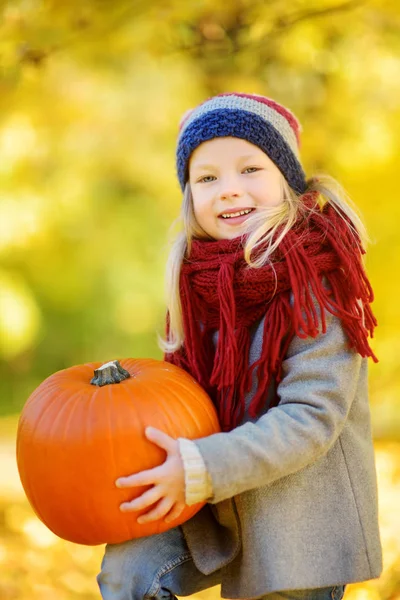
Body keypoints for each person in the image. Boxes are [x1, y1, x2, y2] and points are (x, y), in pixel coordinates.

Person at [96, 92, 383, 600]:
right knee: (129, 570)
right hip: (211, 505)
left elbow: (311, 417)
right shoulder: (196, 285)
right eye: (207, 178)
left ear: (288, 181)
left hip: (296, 517)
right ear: (189, 196)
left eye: (250, 169)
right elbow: (181, 400)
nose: (229, 191)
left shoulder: (318, 278)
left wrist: (202, 467)